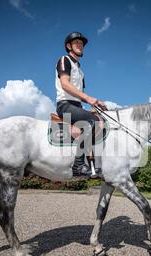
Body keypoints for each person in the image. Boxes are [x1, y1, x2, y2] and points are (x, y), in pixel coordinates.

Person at [55, 32, 107, 177]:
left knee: (101, 122)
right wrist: (88, 97)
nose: (80, 45)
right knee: (94, 121)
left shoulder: (81, 71)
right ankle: (78, 166)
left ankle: (94, 164)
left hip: (77, 106)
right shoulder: (64, 59)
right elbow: (65, 85)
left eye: (81, 43)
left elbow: (80, 94)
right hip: (64, 105)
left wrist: (96, 103)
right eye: (76, 42)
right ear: (68, 46)